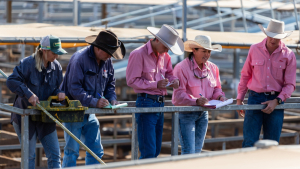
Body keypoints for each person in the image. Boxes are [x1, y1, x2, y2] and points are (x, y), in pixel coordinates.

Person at [60, 30, 125, 167]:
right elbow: (74, 89)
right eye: (108, 52)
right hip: (73, 111)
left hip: (90, 111)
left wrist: (112, 98)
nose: (109, 56)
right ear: (98, 48)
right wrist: (95, 102)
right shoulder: (79, 59)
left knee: (96, 150)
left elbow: (110, 84)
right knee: (72, 152)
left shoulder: (106, 61)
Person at [7, 35, 67, 169]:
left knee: (55, 154)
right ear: (44, 50)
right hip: (25, 116)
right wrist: (28, 94)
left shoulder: (56, 67)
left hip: (45, 115)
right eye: (54, 53)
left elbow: (56, 88)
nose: (56, 56)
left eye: (58, 53)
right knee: (29, 156)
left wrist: (59, 93)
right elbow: (11, 81)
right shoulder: (27, 64)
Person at [236, 19, 296, 147]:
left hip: (276, 100)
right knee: (249, 142)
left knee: (272, 143)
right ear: (266, 34)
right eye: (271, 36)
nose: (273, 40)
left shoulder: (289, 55)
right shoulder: (254, 49)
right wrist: (239, 99)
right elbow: (245, 75)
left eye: (276, 37)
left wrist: (277, 100)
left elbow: (290, 84)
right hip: (254, 98)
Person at [126, 24, 183, 159]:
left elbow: (169, 73)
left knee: (155, 149)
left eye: (169, 48)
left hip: (158, 104)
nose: (167, 50)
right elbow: (131, 81)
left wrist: (175, 80)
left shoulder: (165, 56)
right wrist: (155, 84)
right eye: (165, 46)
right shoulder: (138, 54)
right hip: (147, 102)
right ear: (157, 39)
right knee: (149, 151)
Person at [172, 35, 226, 154]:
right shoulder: (181, 68)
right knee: (189, 151)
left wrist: (220, 96)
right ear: (194, 50)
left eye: (209, 51)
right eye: (204, 51)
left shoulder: (213, 68)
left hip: (203, 114)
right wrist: (196, 101)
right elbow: (178, 95)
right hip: (186, 113)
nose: (207, 54)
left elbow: (217, 88)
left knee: (196, 151)